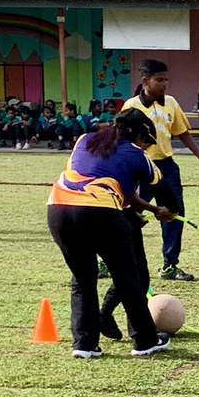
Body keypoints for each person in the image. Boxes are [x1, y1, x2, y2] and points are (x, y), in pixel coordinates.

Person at [48, 108, 171, 359]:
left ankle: (84, 344)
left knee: (82, 278)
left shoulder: (84, 139)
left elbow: (106, 183)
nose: (147, 148)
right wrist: (167, 210)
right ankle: (145, 341)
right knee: (128, 276)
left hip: (58, 210)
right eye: (147, 143)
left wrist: (147, 209)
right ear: (140, 136)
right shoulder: (137, 155)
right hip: (99, 213)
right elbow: (163, 189)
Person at [123, 59, 199, 281]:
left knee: (174, 213)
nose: (165, 83)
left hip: (167, 167)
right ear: (145, 80)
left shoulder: (171, 103)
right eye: (160, 79)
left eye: (166, 79)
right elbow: (123, 139)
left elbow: (182, 131)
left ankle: (170, 265)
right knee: (129, 215)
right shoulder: (131, 106)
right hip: (140, 167)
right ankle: (111, 261)